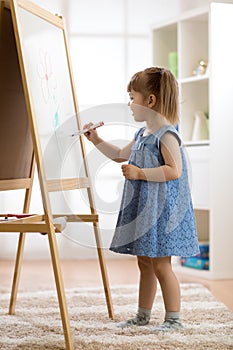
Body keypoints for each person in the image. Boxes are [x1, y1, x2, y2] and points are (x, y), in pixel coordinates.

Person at [83, 67, 200, 331]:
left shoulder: (167, 134)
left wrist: (140, 173)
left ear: (150, 101)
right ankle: (142, 315)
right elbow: (118, 154)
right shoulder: (141, 134)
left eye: (132, 97)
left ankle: (174, 319)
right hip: (146, 211)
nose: (129, 104)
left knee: (161, 265)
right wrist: (96, 139)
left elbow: (174, 170)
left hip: (162, 212)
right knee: (144, 262)